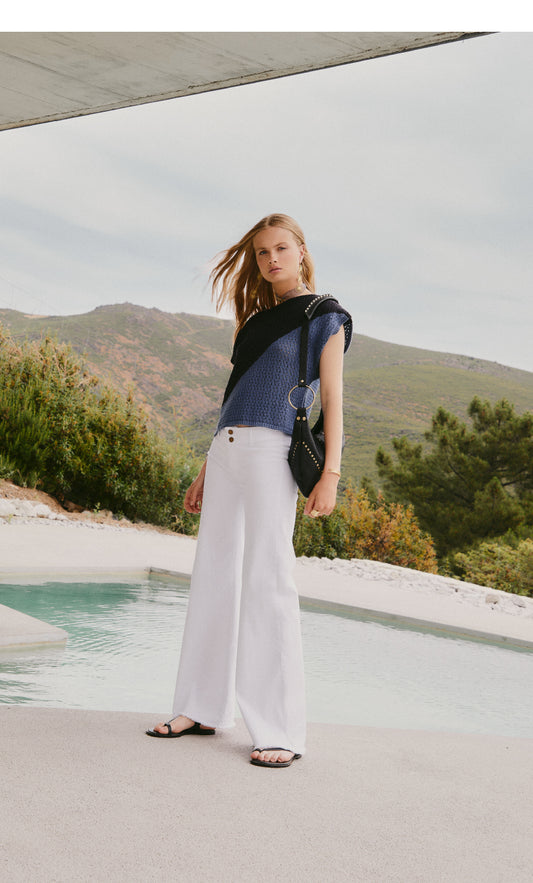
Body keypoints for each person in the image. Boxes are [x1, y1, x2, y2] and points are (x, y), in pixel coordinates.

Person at [146, 213, 352, 768]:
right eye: (262, 252)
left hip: (271, 452)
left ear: (302, 251)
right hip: (227, 450)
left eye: (281, 248)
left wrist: (330, 474)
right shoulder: (253, 322)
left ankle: (278, 729)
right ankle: (199, 707)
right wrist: (205, 469)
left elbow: (332, 400)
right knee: (213, 576)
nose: (271, 259)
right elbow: (233, 397)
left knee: (268, 580)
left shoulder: (325, 316)